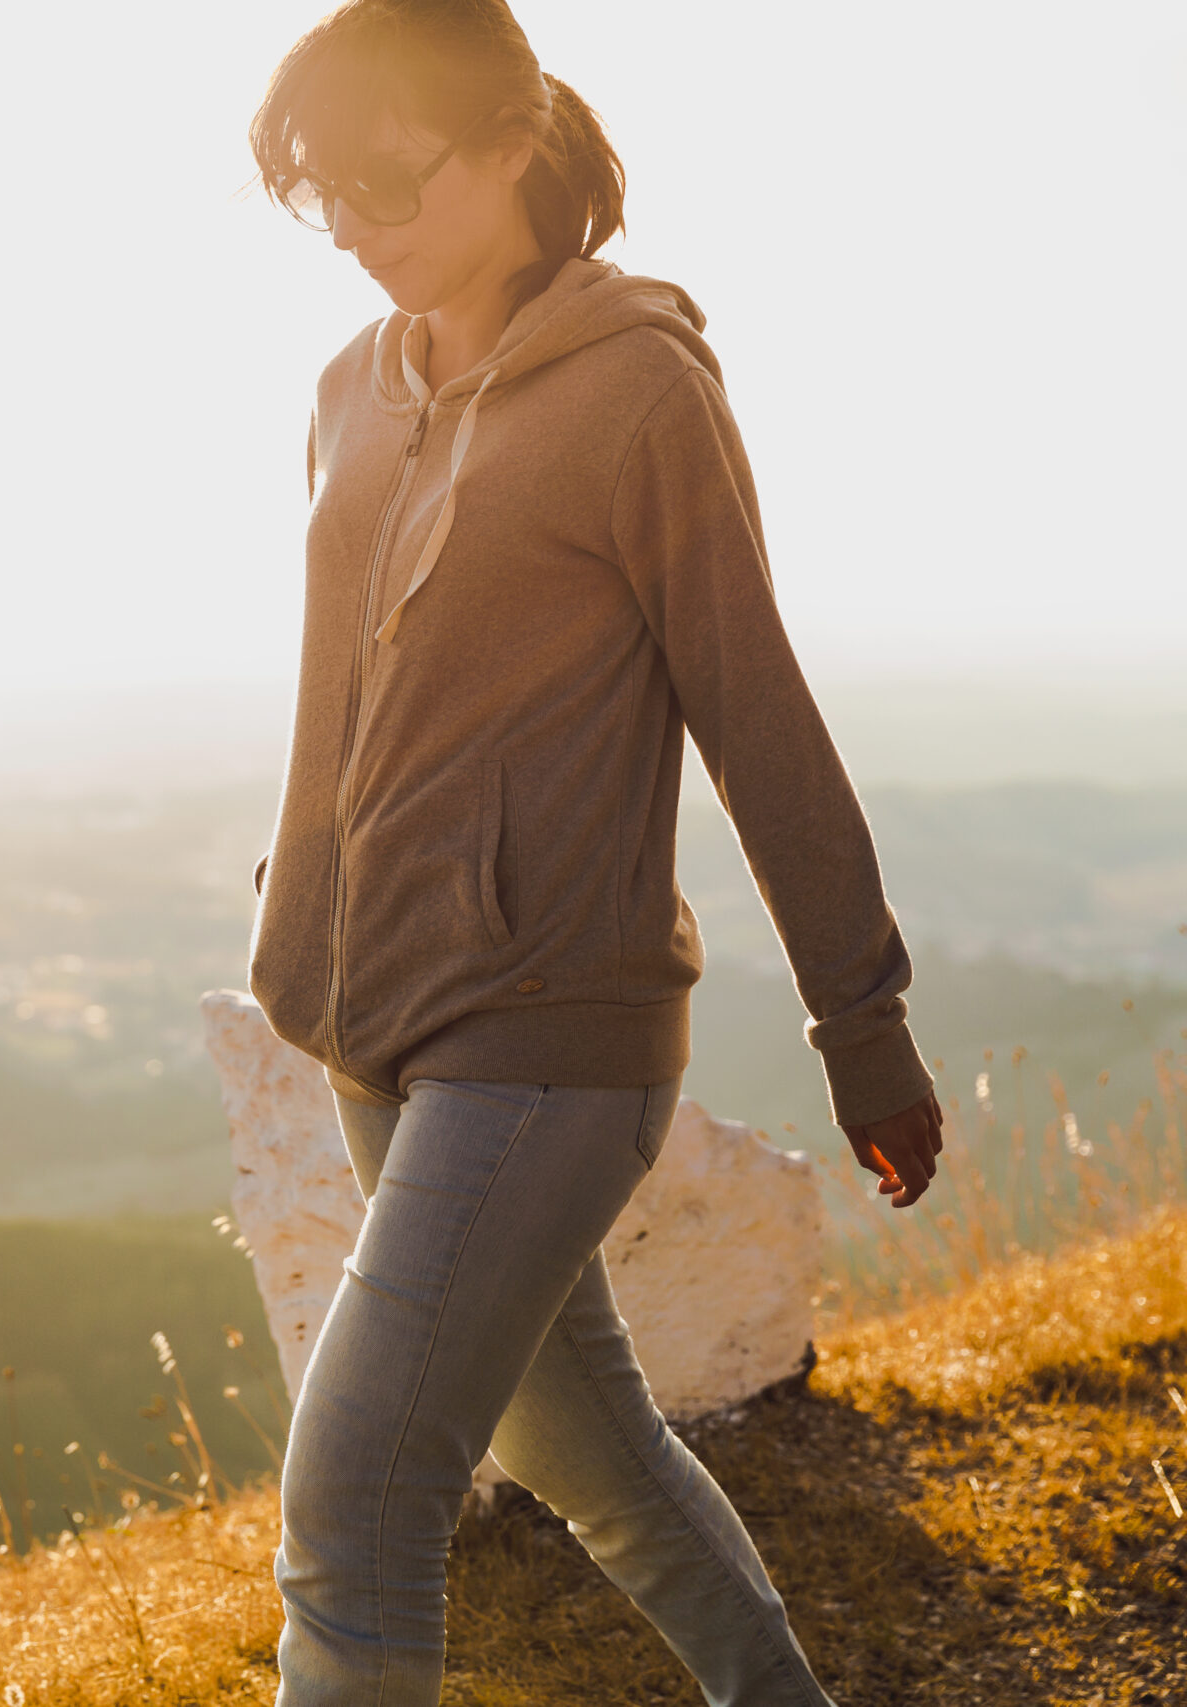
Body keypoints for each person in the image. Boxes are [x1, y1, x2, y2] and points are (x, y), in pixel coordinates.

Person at [239, 2, 946, 1702]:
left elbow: (751, 704)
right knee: (595, 1466)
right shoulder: (351, 387)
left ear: (513, 138)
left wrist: (866, 1025)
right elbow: (339, 690)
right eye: (318, 193)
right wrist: (302, 931)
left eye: (389, 184)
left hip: (554, 1028)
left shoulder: (636, 390)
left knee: (355, 1509)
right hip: (377, 1013)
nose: (355, 230)